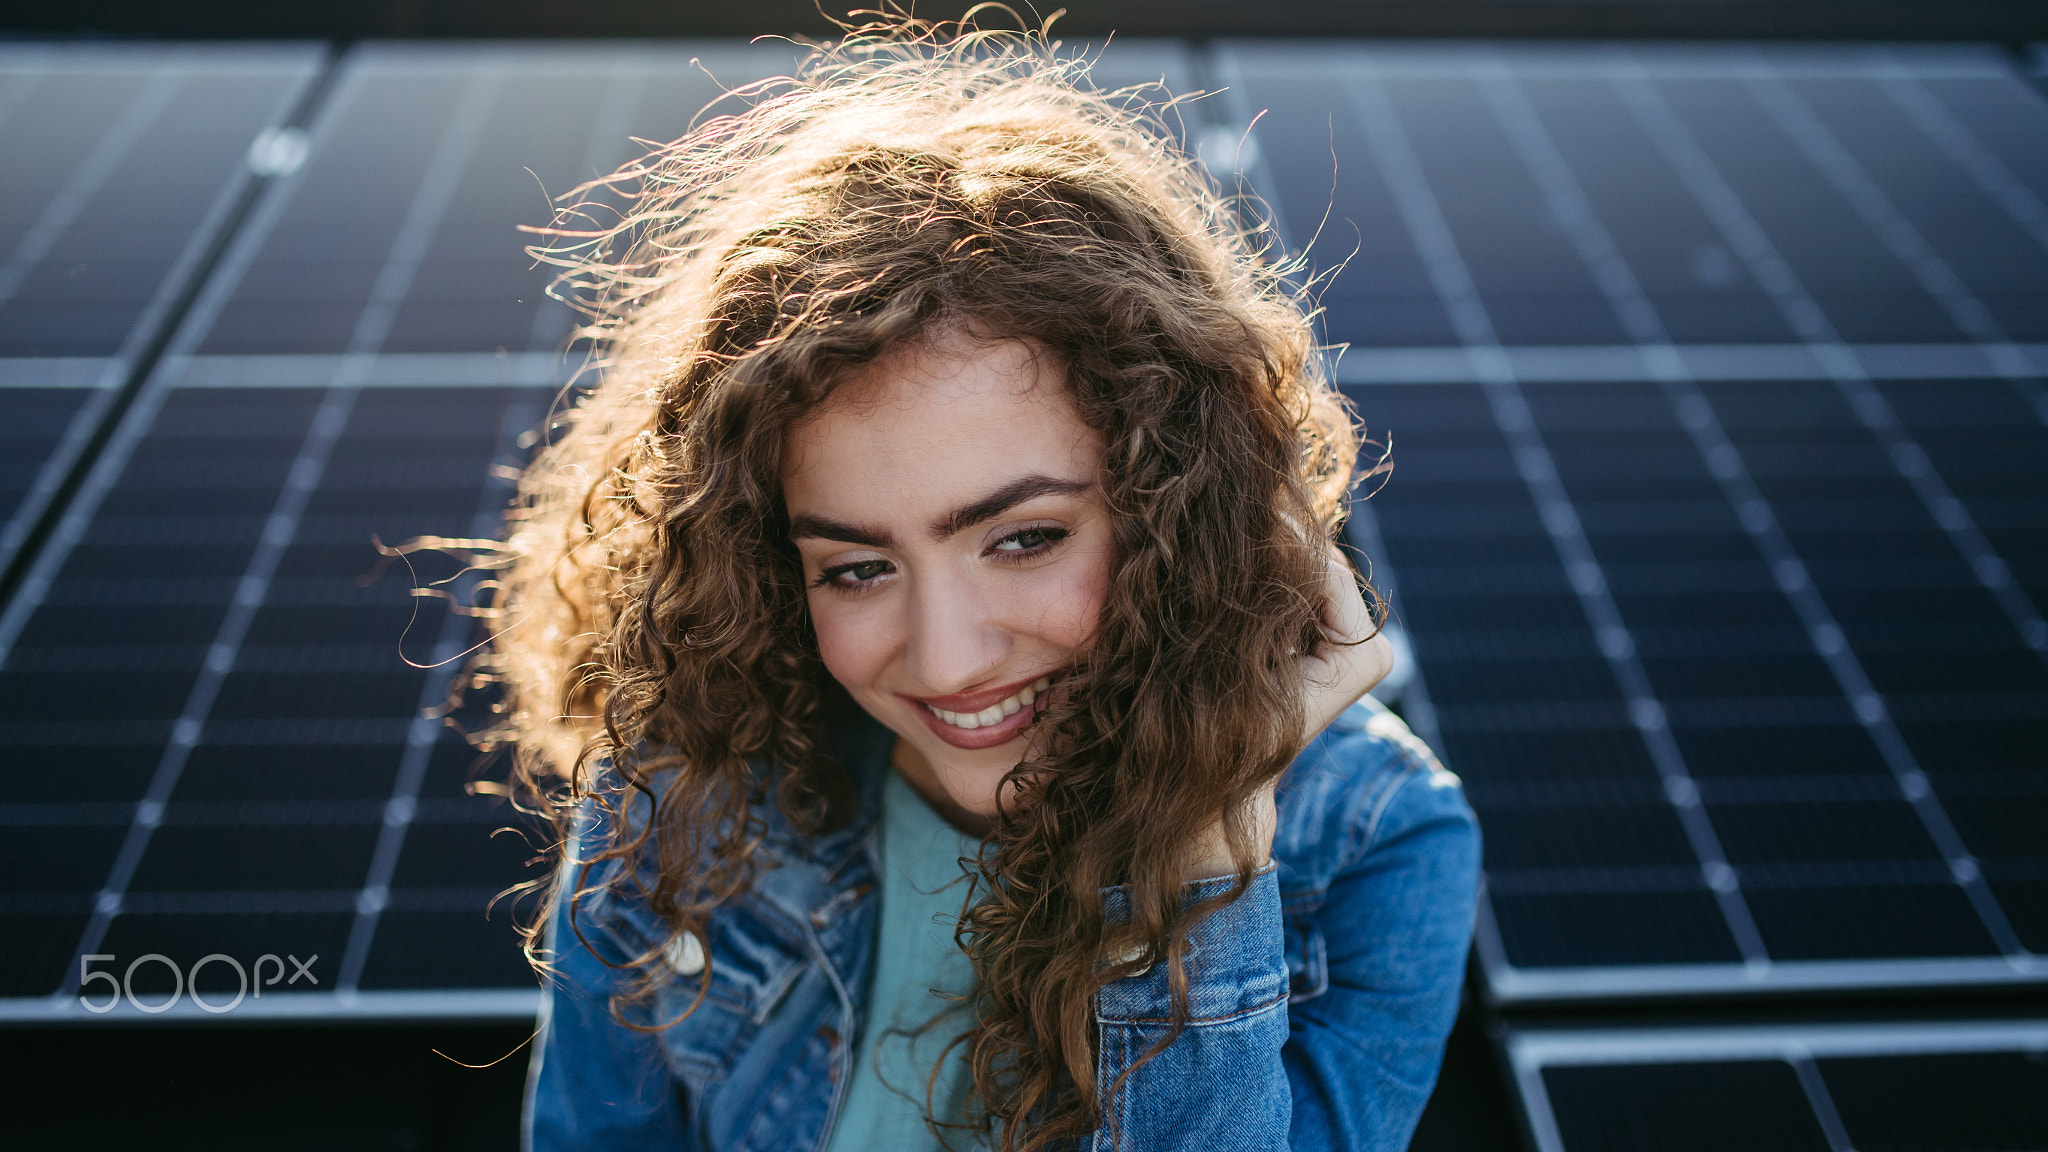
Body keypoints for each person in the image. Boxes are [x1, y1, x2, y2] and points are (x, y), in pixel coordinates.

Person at [486, 21, 1479, 1152]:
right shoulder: (681, 781)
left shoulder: (1379, 845)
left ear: (1178, 509)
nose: (947, 659)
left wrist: (1199, 840)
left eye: (1022, 539)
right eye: (855, 568)